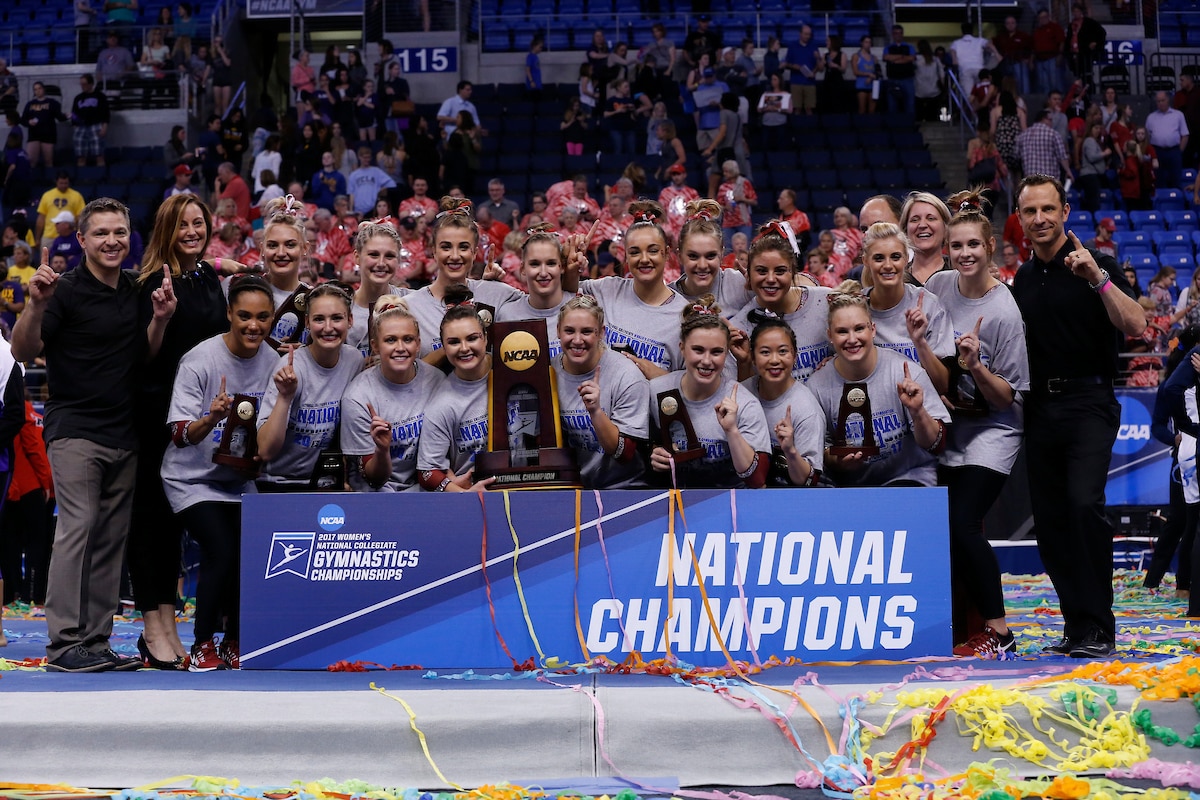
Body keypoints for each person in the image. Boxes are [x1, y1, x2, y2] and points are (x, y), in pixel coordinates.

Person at [11, 198, 176, 672]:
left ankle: (95, 642)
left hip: (124, 431)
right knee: (78, 528)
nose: (111, 240)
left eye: (119, 232)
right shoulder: (62, 289)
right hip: (76, 430)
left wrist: (160, 321)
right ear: (81, 240)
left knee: (109, 539)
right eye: (101, 233)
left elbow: (144, 356)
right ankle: (64, 644)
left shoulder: (137, 288)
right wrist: (36, 305)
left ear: (130, 237)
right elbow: (23, 349)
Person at [1010, 174, 1146, 657]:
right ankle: (1077, 626)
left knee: (1084, 505)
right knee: (1050, 523)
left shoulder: (1098, 262)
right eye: (1031, 211)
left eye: (1048, 209)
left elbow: (1137, 324)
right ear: (1020, 218)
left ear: (1065, 212)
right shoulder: (1023, 279)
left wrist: (1097, 279)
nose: (1040, 219)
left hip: (1090, 402)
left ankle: (1099, 627)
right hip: (1040, 409)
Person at [922, 190, 1029, 657]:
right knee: (945, 528)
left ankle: (1000, 631)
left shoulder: (1005, 311)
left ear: (990, 248)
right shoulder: (939, 286)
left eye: (973, 245)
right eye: (957, 245)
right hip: (950, 425)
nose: (965, 254)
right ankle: (952, 625)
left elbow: (1009, 397)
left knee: (964, 523)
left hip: (995, 430)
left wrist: (976, 366)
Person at [130, 194, 231, 670]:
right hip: (157, 416)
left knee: (174, 525)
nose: (192, 231)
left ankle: (170, 626)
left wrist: (227, 263)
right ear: (166, 230)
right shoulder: (151, 283)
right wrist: (161, 318)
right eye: (182, 225)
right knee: (152, 522)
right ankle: (154, 628)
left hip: (202, 419)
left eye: (199, 223)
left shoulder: (206, 275)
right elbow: (143, 357)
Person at [161, 275, 276, 670]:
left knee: (251, 551)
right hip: (191, 479)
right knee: (222, 549)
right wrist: (211, 418)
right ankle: (202, 642)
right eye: (244, 316)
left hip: (239, 481)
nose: (253, 325)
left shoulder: (274, 362)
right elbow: (179, 435)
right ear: (229, 313)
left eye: (262, 317)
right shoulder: (200, 360)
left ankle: (234, 639)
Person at [806, 291, 950, 487]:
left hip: (909, 476)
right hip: (851, 488)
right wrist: (838, 461)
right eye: (842, 332)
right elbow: (818, 450)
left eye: (859, 328)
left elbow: (937, 444)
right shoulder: (816, 386)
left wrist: (918, 412)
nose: (852, 339)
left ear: (872, 329)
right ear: (830, 335)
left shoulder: (904, 372)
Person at [648, 295, 770, 489]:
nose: (706, 361)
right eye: (698, 350)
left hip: (730, 500)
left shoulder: (744, 403)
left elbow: (757, 480)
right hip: (678, 499)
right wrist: (654, 453)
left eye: (716, 352)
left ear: (726, 352)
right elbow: (643, 446)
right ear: (682, 348)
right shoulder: (657, 391)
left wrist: (732, 431)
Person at [257, 283, 363, 490]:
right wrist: (285, 397)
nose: (328, 327)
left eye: (337, 318)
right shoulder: (290, 367)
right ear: (307, 322)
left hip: (324, 482)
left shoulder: (354, 360)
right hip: (278, 482)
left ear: (350, 320)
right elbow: (265, 451)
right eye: (319, 319)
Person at [341, 295, 442, 492]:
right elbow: (373, 479)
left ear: (418, 344)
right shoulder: (358, 397)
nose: (400, 348)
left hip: (427, 490)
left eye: (408, 339)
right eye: (390, 340)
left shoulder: (436, 381)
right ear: (375, 346)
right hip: (377, 496)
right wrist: (382, 449)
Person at [576, 201, 687, 379]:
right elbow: (559, 294)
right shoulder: (608, 289)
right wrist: (571, 263)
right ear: (626, 256)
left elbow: (693, 386)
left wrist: (660, 377)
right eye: (635, 252)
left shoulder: (684, 315)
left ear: (666, 253)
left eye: (653, 251)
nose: (644, 259)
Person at [404, 198, 524, 358]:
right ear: (434, 251)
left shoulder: (497, 294)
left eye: (463, 247)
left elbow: (542, 306)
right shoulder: (411, 306)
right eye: (446, 247)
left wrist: (488, 289)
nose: (455, 256)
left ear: (474, 253)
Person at [552, 294, 649, 488]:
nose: (577, 340)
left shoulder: (626, 375)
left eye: (587, 331)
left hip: (622, 488)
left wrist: (596, 412)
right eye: (569, 331)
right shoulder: (549, 371)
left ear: (601, 333)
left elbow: (624, 454)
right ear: (558, 331)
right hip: (569, 488)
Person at [727, 220, 834, 382]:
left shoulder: (827, 302)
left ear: (793, 272)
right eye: (761, 271)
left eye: (780, 271)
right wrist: (745, 363)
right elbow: (742, 392)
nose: (771, 279)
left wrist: (838, 361)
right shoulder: (740, 329)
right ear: (749, 274)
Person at [414, 285, 497, 493]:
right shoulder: (442, 403)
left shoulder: (512, 369)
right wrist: (464, 494)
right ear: (443, 347)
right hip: (475, 494)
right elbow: (427, 471)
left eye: (472, 338)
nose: (464, 348)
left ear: (485, 338)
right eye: (454, 342)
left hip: (524, 487)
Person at [859, 222, 954, 396]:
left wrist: (920, 342)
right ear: (865, 260)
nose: (888, 265)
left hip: (922, 405)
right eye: (879, 258)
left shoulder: (929, 305)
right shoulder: (856, 309)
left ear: (906, 258)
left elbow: (943, 386)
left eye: (895, 257)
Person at [741, 315, 825, 487]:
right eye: (765, 352)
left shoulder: (807, 409)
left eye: (783, 351)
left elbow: (808, 481)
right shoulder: (741, 393)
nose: (774, 360)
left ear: (794, 356)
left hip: (791, 494)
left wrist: (790, 451)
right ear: (753, 358)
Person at [496, 224, 578, 357]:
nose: (543, 273)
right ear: (522, 269)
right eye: (535, 264)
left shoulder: (581, 309)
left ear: (562, 266)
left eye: (551, 263)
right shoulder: (507, 315)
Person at [671, 199, 750, 313]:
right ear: (680, 257)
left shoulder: (741, 284)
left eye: (710, 256)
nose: (702, 265)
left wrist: (759, 287)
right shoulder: (667, 298)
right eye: (693, 256)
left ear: (722, 254)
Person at [903, 191, 953, 286]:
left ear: (946, 228)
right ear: (905, 230)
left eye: (931, 218)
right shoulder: (897, 277)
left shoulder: (959, 273)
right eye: (915, 220)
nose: (922, 225)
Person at [1146, 91, 1189, 191]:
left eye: (1163, 100)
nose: (1160, 103)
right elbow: (1146, 137)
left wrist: (1179, 151)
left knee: (1175, 180)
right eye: (1158, 101)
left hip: (1174, 151)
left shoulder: (1178, 115)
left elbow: (1185, 135)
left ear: (1168, 100)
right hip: (1157, 152)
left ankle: (1176, 199)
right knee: (1158, 180)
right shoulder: (1151, 117)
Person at [1017, 108, 1072, 184]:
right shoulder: (1053, 134)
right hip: (1049, 180)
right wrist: (1068, 171)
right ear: (1044, 119)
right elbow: (1062, 156)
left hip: (1030, 180)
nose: (1052, 123)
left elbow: (1017, 155)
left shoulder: (1022, 136)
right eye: (1050, 120)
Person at [21, 82, 68, 170]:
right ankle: (30, 177)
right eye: (35, 89)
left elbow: (59, 117)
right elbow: (23, 120)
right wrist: (29, 122)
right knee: (30, 160)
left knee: (48, 161)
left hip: (48, 135)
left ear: (43, 89)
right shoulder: (30, 104)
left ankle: (49, 177)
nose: (38, 91)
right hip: (34, 135)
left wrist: (67, 116)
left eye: (39, 88)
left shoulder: (52, 103)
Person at [35, 171, 87, 250]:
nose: (63, 185)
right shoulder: (47, 195)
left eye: (66, 183)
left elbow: (80, 218)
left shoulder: (77, 196)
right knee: (45, 257)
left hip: (69, 236)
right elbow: (41, 218)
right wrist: (37, 238)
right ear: (56, 182)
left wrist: (79, 234)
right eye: (61, 183)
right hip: (49, 236)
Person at [914, 39, 945, 122]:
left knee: (919, 116)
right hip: (934, 91)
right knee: (932, 117)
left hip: (919, 91)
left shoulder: (916, 59)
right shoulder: (936, 59)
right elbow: (942, 75)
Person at [852, 36, 879, 115]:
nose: (868, 44)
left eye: (869, 42)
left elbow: (878, 72)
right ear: (862, 43)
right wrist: (868, 74)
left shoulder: (874, 58)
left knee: (872, 110)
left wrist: (872, 76)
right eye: (866, 42)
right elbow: (856, 72)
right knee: (862, 109)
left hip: (873, 85)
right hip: (861, 85)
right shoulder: (856, 56)